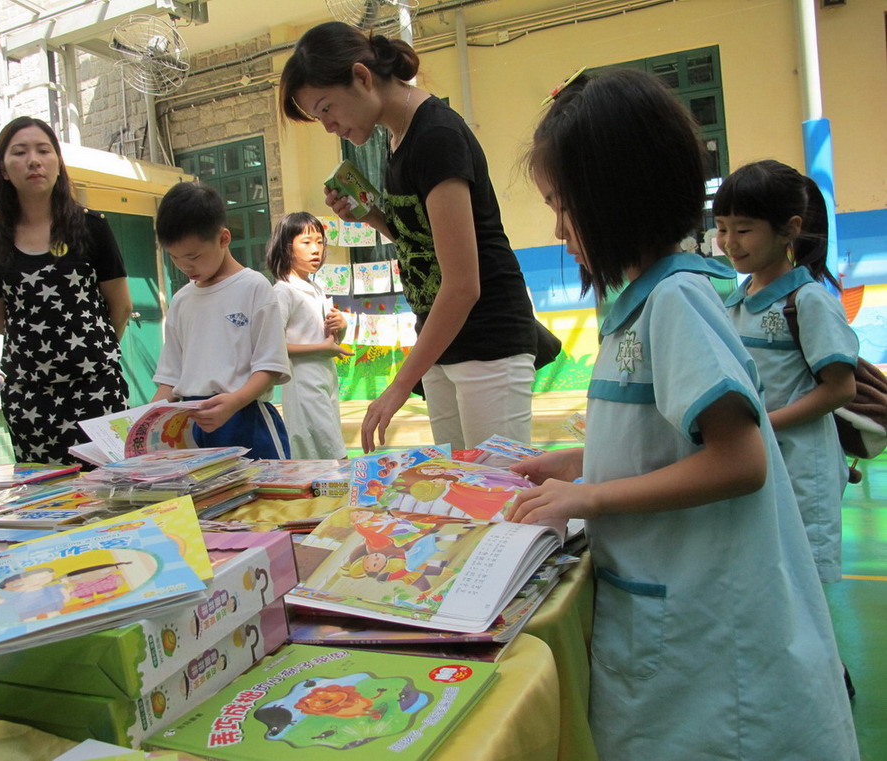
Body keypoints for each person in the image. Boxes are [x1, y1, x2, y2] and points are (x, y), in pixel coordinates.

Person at [506, 69, 858, 760]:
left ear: (613, 198)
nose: (557, 229)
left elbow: (739, 458)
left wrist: (592, 493)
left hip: (704, 638)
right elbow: (668, 442)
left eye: (562, 205)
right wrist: (578, 463)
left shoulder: (677, 302)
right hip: (668, 612)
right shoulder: (640, 304)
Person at [279, 21, 539, 453]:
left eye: (326, 108)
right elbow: (421, 244)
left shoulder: (435, 136)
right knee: (456, 492)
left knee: (499, 494)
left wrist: (400, 384)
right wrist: (372, 217)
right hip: (442, 342)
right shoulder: (396, 139)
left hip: (488, 339)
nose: (328, 125)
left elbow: (462, 284)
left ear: (362, 77)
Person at [715, 160, 858, 584]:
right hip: (759, 459)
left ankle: (824, 655)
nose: (729, 242)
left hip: (801, 465)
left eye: (743, 229)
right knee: (767, 579)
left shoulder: (807, 300)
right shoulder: (736, 302)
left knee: (802, 582)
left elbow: (840, 388)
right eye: (721, 228)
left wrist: (763, 424)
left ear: (790, 228)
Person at [0, 116, 132, 464]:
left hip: (96, 389)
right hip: (30, 398)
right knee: (44, 500)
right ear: (3, 169)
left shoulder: (92, 228)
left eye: (44, 150)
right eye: (20, 152)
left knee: (110, 495)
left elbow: (119, 307)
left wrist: (88, 355)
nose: (33, 160)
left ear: (58, 163)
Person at [151, 182, 291, 459]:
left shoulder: (254, 287)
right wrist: (141, 422)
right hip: (191, 427)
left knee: (265, 498)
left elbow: (270, 366)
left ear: (223, 238)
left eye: (193, 256)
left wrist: (235, 402)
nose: (185, 266)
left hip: (245, 417)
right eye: (174, 258)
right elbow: (169, 381)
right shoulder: (181, 301)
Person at [266, 212, 351, 459]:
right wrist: (321, 349)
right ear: (286, 248)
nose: (316, 249)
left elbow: (330, 341)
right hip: (302, 384)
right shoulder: (283, 291)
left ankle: (330, 495)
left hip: (325, 379)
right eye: (306, 242)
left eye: (320, 242)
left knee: (325, 449)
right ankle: (345, 491)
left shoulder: (315, 289)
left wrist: (341, 326)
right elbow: (273, 345)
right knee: (332, 451)